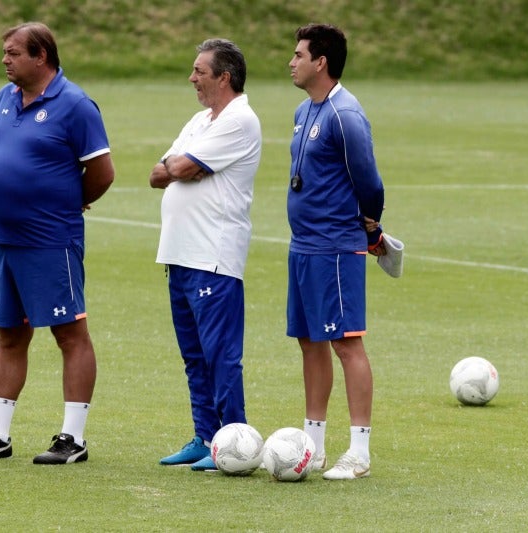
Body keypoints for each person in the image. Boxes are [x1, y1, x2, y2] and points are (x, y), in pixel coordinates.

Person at [0, 22, 115, 465]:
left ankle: (73, 438)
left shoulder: (75, 105)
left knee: (70, 334)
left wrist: (67, 204)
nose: (4, 60)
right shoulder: (3, 98)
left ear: (41, 56)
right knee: (9, 334)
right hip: (3, 239)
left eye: (13, 53)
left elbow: (102, 172)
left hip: (51, 240)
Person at [149, 38, 262, 472]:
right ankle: (205, 436)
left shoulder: (240, 120)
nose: (191, 78)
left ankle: (235, 440)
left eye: (199, 71)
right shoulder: (201, 120)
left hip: (213, 254)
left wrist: (182, 167)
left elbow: (177, 168)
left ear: (224, 77)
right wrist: (183, 167)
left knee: (220, 354)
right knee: (194, 355)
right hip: (179, 253)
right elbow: (161, 173)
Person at [286, 23, 387, 480]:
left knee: (346, 343)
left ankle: (359, 452)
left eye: (299, 54)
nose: (292, 62)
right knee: (310, 342)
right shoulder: (305, 109)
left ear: (320, 62)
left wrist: (370, 227)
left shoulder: (346, 114)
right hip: (304, 246)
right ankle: (314, 445)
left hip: (336, 247)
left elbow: (370, 182)